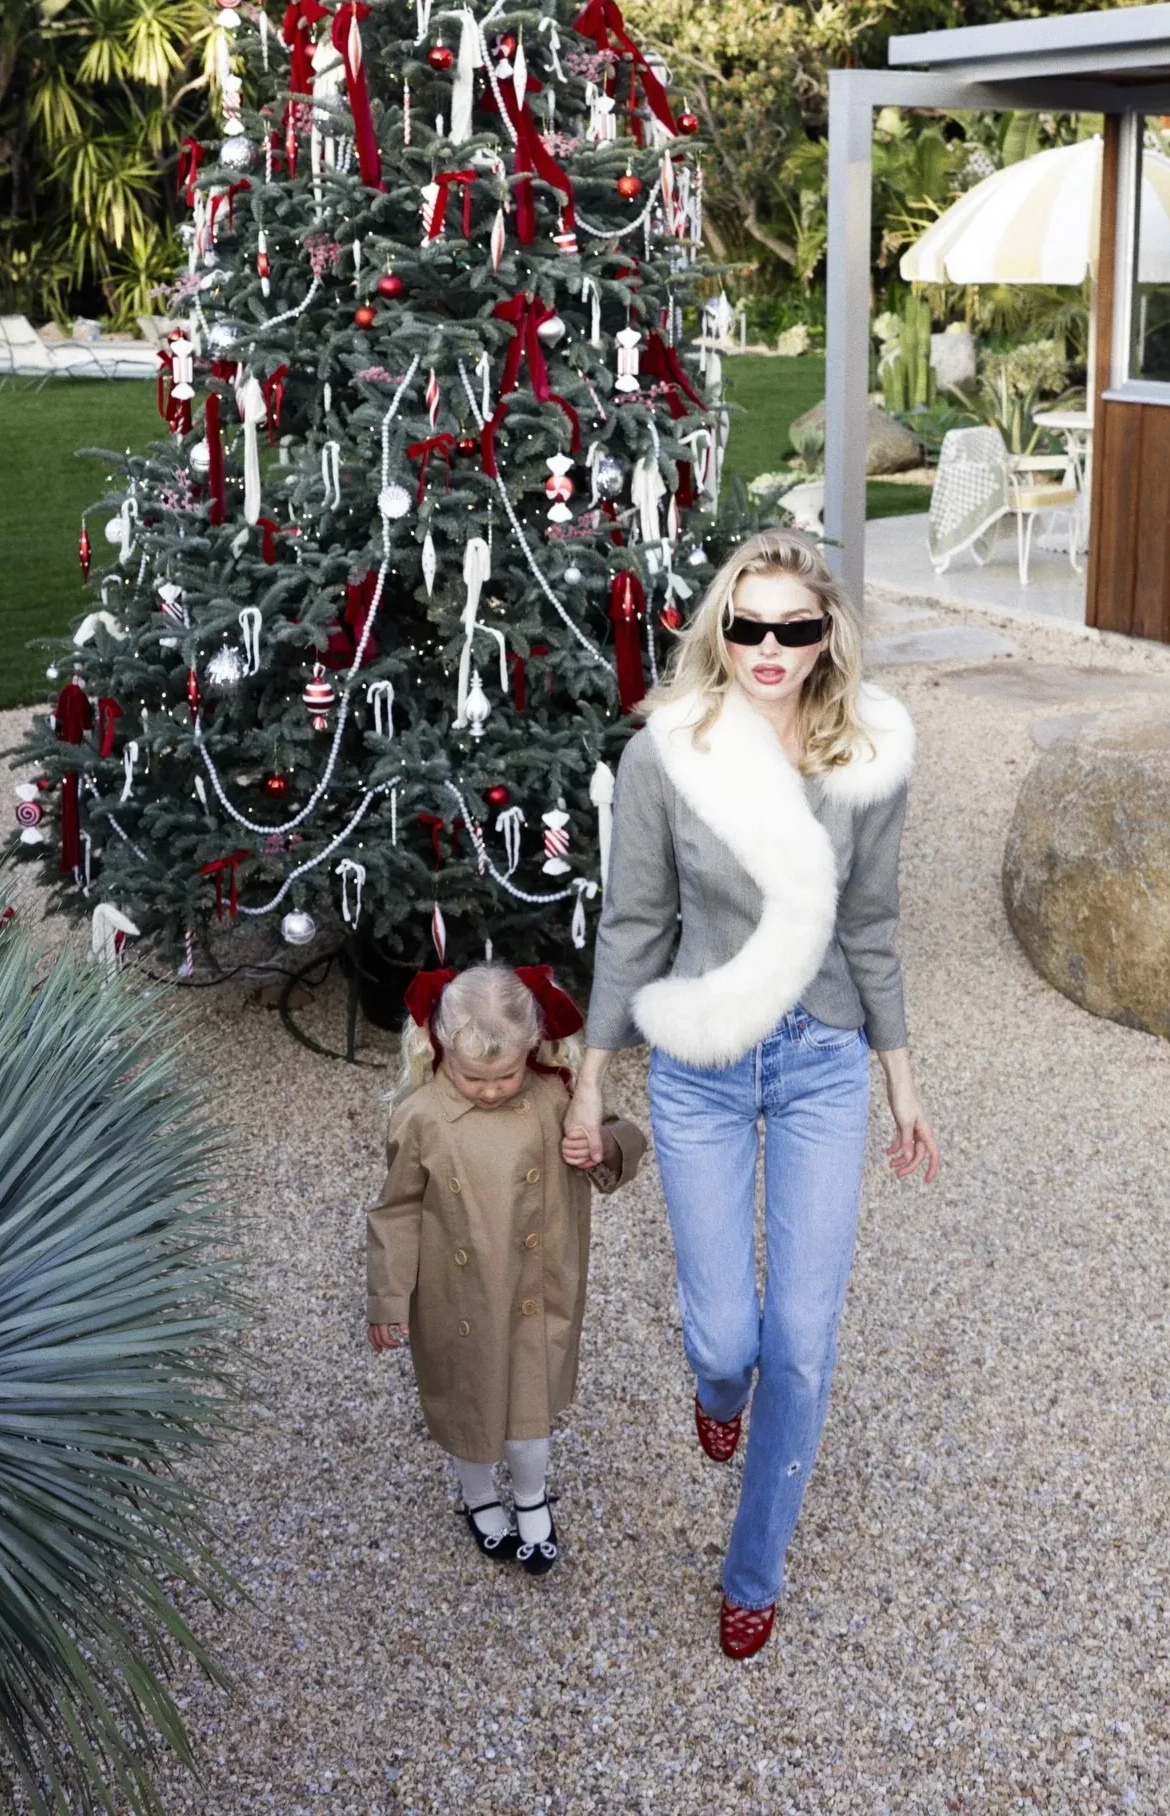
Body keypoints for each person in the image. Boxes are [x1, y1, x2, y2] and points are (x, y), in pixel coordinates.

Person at [565, 530, 939, 1658]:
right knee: (727, 1339)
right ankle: (720, 1395)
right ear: (719, 628)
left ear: (828, 637)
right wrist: (589, 1083)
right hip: (704, 1069)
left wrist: (901, 1081)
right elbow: (634, 927)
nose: (769, 648)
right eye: (749, 625)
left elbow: (871, 926)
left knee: (805, 1343)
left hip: (823, 1062)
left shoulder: (867, 753)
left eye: (795, 627)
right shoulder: (668, 755)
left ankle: (754, 1566)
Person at [368, 963, 645, 1572]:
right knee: (468, 1403)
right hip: (457, 1295)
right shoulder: (421, 1117)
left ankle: (531, 1496)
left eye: (506, 1075)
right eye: (473, 1077)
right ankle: (477, 1496)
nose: (491, 1091)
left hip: (534, 1290)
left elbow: (622, 1142)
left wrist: (600, 1144)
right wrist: (389, 1298)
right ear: (441, 1046)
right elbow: (397, 1211)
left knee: (528, 1407)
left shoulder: (556, 1097)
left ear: (533, 1046)